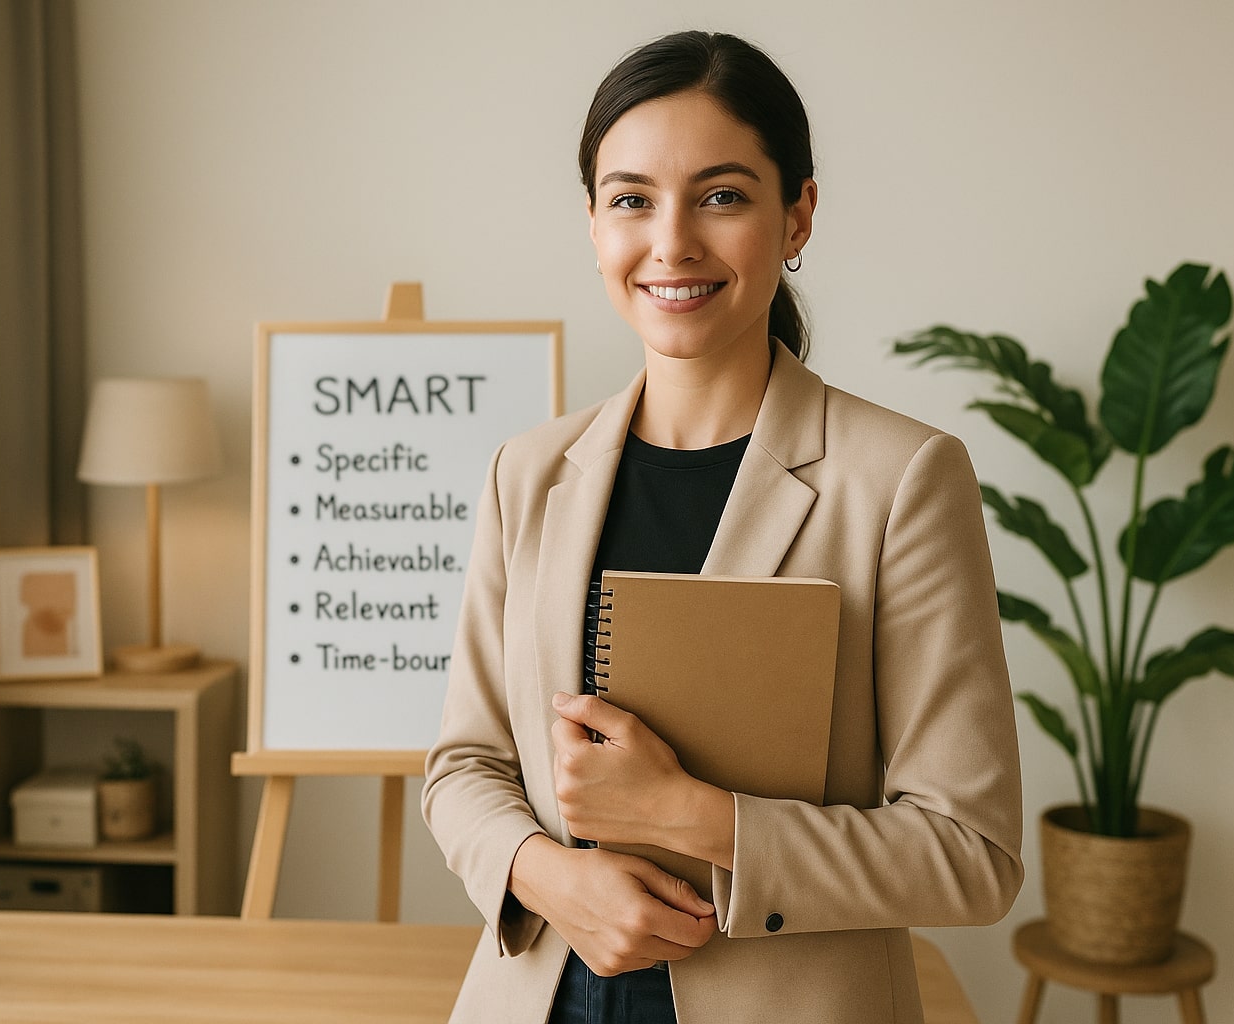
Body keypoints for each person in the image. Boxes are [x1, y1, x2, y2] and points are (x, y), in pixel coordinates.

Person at [422, 29, 1022, 1024]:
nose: (671, 243)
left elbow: (973, 853)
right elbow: (465, 767)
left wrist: (695, 818)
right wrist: (544, 872)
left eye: (722, 195)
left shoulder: (903, 479)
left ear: (798, 216)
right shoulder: (525, 474)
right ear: (593, 223)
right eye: (631, 199)